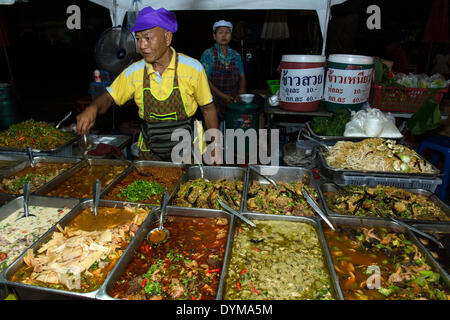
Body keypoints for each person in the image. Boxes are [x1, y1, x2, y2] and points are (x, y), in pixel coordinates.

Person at [76, 7, 219, 162]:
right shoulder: (134, 72)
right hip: (151, 153)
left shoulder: (192, 69)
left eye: (147, 38)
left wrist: (215, 147)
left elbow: (208, 109)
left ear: (167, 38)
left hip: (188, 150)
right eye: (138, 38)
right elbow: (109, 97)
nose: (141, 45)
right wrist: (93, 108)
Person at [200, 20, 246, 120]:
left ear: (231, 36)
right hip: (213, 98)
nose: (224, 35)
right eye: (220, 32)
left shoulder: (236, 55)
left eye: (227, 32)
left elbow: (242, 76)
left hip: (233, 98)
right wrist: (222, 96)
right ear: (214, 36)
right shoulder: (208, 54)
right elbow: (204, 80)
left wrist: (241, 93)